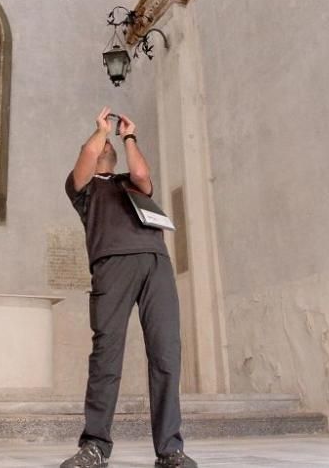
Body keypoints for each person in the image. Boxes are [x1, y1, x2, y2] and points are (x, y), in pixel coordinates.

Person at [61, 108, 196, 468]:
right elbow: (88, 155)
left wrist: (129, 136)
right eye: (98, 143)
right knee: (106, 355)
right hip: (111, 266)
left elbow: (142, 172)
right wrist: (101, 130)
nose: (100, 147)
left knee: (167, 354)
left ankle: (170, 449)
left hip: (156, 264)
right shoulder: (84, 189)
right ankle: (95, 445)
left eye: (107, 143)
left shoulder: (132, 184)